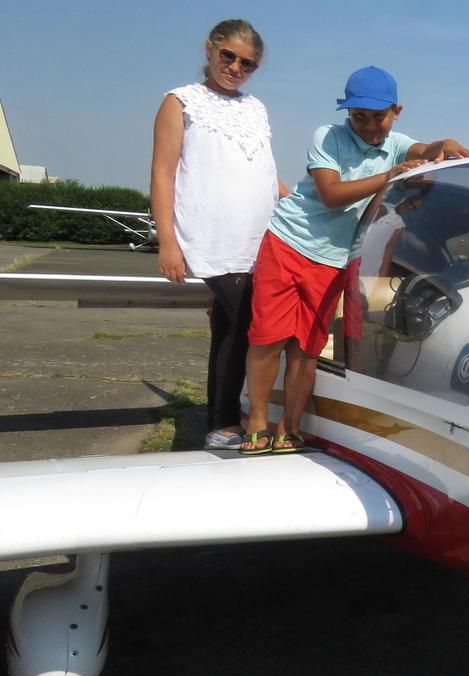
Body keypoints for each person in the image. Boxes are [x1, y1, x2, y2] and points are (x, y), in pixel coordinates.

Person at [240, 66, 469, 454]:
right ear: (346, 114)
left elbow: (428, 150)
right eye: (358, 116)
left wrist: (446, 144)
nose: (369, 126)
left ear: (397, 111)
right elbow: (331, 194)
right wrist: (390, 176)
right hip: (288, 243)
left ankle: (291, 425)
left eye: (378, 117)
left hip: (332, 260)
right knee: (268, 338)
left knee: (306, 346)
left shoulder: (397, 143)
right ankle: (256, 419)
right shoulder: (328, 137)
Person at [150, 19, 286, 450]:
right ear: (209, 49)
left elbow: (267, 174)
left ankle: (222, 419)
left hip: (258, 237)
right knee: (246, 324)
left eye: (247, 63)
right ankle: (228, 419)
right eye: (228, 55)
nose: (235, 67)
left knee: (231, 328)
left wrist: (309, 200)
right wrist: (167, 241)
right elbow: (163, 172)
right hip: (211, 236)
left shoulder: (256, 108)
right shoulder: (181, 101)